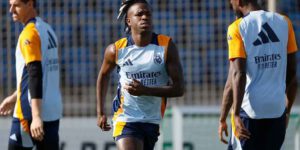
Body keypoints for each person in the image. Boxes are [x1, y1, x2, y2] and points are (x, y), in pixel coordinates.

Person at [96, 0, 184, 149]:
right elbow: (103, 76)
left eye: (148, 14)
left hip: (152, 120)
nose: (145, 17)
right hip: (126, 118)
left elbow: (179, 89)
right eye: (139, 14)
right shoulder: (116, 50)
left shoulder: (166, 46)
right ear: (129, 21)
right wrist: (100, 112)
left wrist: (145, 91)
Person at [218, 0, 298, 149]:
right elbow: (292, 73)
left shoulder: (237, 28)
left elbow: (237, 74)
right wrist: (286, 110)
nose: (231, 4)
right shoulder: (285, 22)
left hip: (249, 113)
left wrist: (233, 116)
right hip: (277, 112)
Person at [0, 0, 62, 149]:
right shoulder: (47, 29)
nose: (11, 10)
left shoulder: (29, 33)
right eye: (10, 5)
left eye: (16, 5)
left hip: (29, 114)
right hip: (52, 111)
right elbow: (41, 72)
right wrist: (15, 96)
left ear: (30, 4)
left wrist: (36, 116)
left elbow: (35, 73)